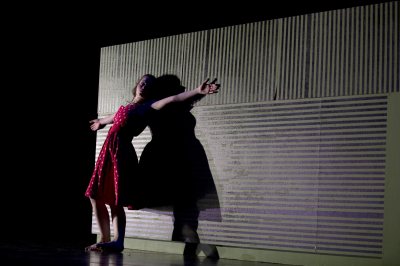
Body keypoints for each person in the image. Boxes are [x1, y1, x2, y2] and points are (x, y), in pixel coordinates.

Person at [84, 74, 220, 253]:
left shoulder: (149, 106)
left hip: (122, 153)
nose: (144, 85)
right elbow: (114, 116)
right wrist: (101, 122)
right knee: (96, 195)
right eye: (142, 82)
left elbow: (173, 99)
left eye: (148, 84)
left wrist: (197, 91)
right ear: (137, 85)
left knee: (115, 198)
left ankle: (118, 241)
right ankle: (106, 239)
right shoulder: (125, 108)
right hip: (108, 153)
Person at [138, 75, 221, 253]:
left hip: (186, 155)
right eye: (177, 86)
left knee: (187, 204)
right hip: (172, 156)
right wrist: (199, 92)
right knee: (185, 203)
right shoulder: (159, 106)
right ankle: (191, 241)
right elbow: (178, 100)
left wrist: (202, 93)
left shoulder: (177, 106)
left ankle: (189, 244)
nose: (182, 89)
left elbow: (185, 100)